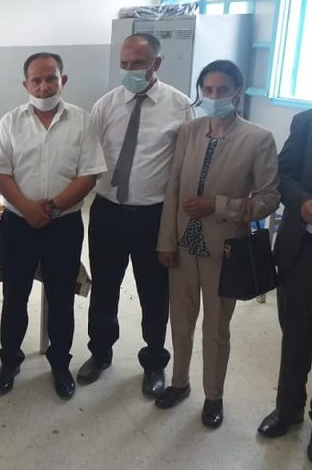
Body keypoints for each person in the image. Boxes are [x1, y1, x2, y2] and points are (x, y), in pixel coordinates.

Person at [156, 60, 279, 428]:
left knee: (216, 327)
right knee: (180, 321)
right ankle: (179, 382)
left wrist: (218, 206)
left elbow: (269, 198)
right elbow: (173, 189)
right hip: (183, 245)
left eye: (222, 89)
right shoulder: (190, 131)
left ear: (237, 92)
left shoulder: (258, 139)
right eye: (207, 90)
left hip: (224, 249)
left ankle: (213, 395)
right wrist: (166, 241)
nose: (214, 96)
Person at [79, 33, 194, 398]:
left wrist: (175, 226)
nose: (129, 71)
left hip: (153, 216)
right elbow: (88, 156)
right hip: (107, 211)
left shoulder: (179, 106)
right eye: (124, 64)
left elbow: (185, 167)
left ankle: (154, 361)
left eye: (138, 64)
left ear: (156, 64)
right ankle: (100, 353)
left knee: (154, 292)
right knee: (104, 288)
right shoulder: (106, 105)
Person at [0, 53, 106, 398]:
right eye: (36, 80)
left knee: (61, 299)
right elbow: (0, 172)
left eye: (50, 78)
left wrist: (52, 208)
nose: (43, 86)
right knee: (14, 297)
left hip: (63, 225)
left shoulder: (82, 120)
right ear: (25, 84)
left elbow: (89, 174)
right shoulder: (11, 121)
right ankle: (10, 361)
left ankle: (60, 364)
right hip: (17, 224)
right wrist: (27, 208)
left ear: (62, 80)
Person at [258, 108, 312, 456]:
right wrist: (303, 203)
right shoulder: (307, 122)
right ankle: (289, 407)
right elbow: (284, 173)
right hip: (303, 249)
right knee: (295, 334)